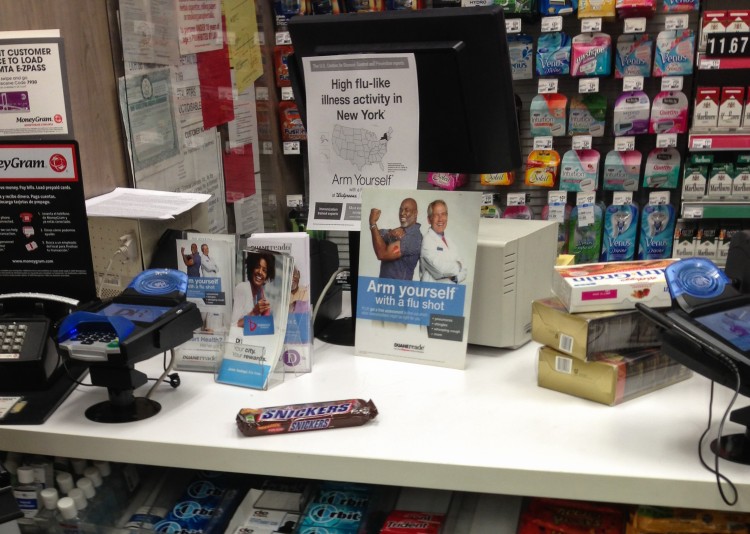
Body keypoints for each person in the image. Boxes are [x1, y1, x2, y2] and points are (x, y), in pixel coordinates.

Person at [368, 197, 422, 280]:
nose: (402, 213)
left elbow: (381, 254)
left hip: (398, 291)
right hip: (385, 289)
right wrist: (390, 234)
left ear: (415, 213)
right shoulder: (401, 231)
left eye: (406, 210)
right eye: (401, 210)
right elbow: (379, 235)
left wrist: (373, 223)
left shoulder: (413, 238)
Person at [420, 199, 467, 284]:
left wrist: (454, 278)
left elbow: (464, 270)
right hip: (431, 293)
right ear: (429, 219)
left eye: (443, 214)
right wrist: (458, 265)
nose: (440, 219)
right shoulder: (427, 241)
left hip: (448, 292)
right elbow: (440, 270)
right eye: (436, 215)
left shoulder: (450, 241)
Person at [231, 252, 276, 327]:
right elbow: (233, 325)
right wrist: (254, 312)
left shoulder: (260, 294)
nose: (260, 272)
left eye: (264, 270)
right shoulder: (242, 288)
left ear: (267, 276)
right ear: (251, 268)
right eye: (257, 267)